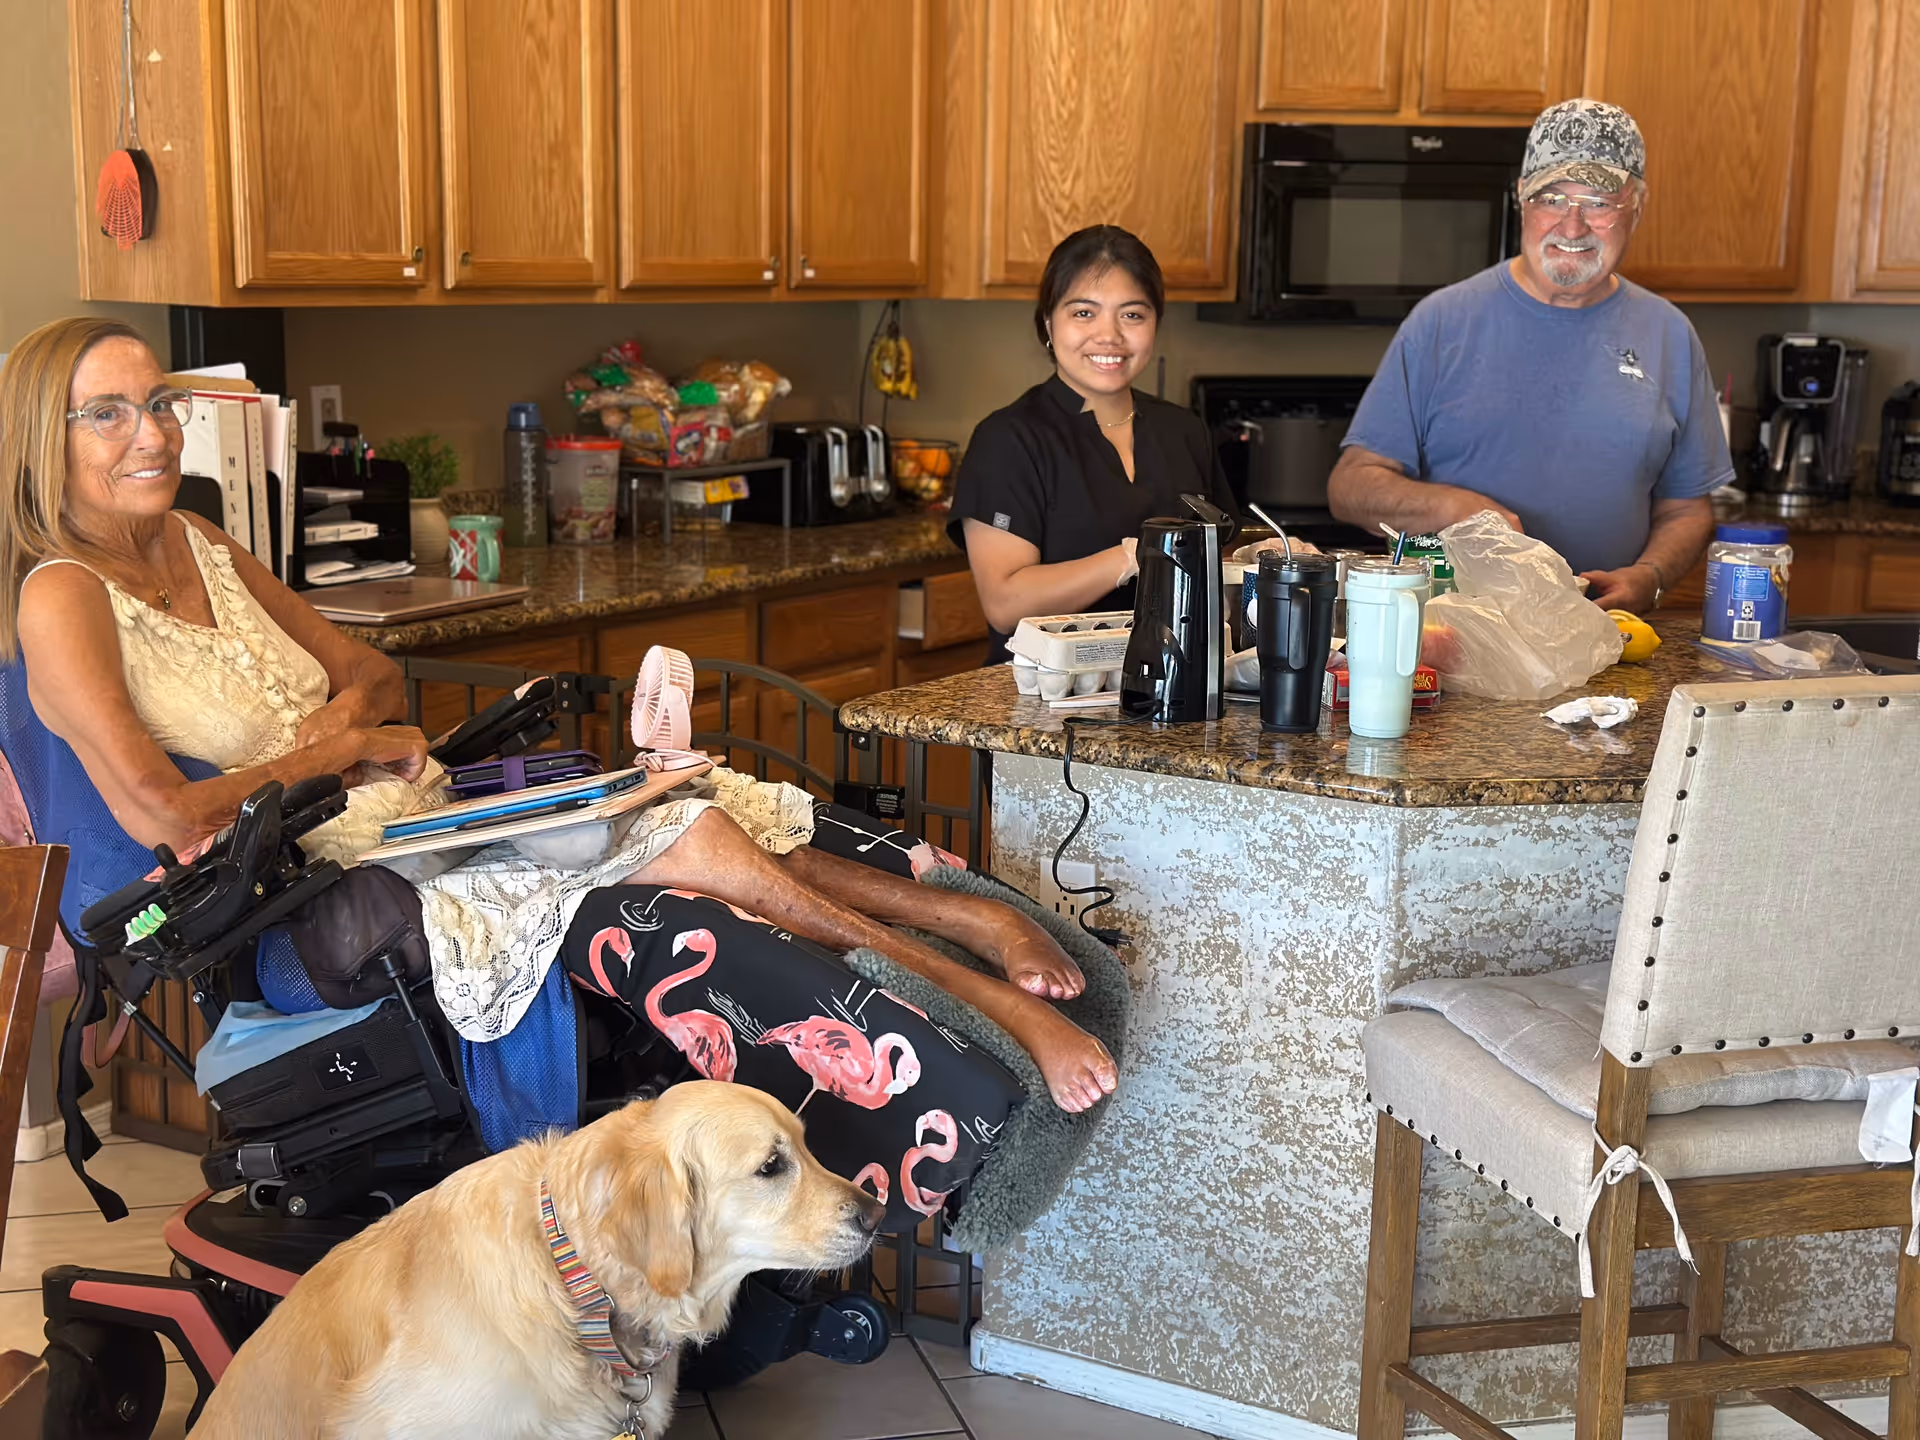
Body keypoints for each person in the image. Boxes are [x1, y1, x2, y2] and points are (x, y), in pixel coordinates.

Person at [0, 317, 1117, 1113]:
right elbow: (165, 812)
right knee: (691, 843)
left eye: (158, 402)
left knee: (684, 799)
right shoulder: (61, 592)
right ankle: (977, 992)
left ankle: (964, 932)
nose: (149, 433)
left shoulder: (204, 542)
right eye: (106, 414)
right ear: (45, 437)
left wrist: (356, 730)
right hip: (299, 906)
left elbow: (378, 674)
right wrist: (335, 747)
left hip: (401, 824)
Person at [1328, 99, 1732, 613]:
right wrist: (1455, 508)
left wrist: (1649, 578)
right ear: (1522, 198)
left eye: (1599, 202)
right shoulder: (1442, 322)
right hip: (1456, 640)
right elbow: (1350, 487)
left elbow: (1686, 510)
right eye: (1552, 197)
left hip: (1601, 637)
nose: (1572, 225)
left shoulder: (1668, 333)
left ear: (1638, 206)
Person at [948, 225, 1239, 663]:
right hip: (1047, 700)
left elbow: (1222, 563)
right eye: (1084, 313)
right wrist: (1132, 556)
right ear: (1048, 321)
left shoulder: (1183, 429)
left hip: (1177, 692)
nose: (1109, 336)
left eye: (1132, 315)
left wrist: (1262, 560)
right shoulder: (1008, 440)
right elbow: (1006, 604)